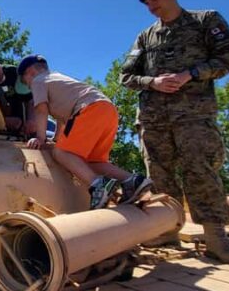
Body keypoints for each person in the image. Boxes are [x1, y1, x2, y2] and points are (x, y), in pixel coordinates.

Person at [120, 0, 229, 263]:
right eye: (147, 3)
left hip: (193, 114)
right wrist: (152, 82)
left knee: (200, 170)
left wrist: (190, 74)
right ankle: (167, 230)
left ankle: (216, 239)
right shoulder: (145, 37)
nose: (151, 7)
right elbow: (125, 76)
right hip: (153, 118)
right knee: (159, 175)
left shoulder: (205, 21)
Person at [19, 55, 152, 210]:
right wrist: (56, 139)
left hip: (88, 109)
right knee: (92, 162)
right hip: (107, 109)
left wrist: (40, 138)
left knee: (60, 153)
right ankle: (133, 181)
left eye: (25, 82)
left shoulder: (38, 80)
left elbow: (41, 110)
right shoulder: (58, 79)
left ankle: (98, 185)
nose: (28, 86)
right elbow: (64, 121)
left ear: (30, 72)